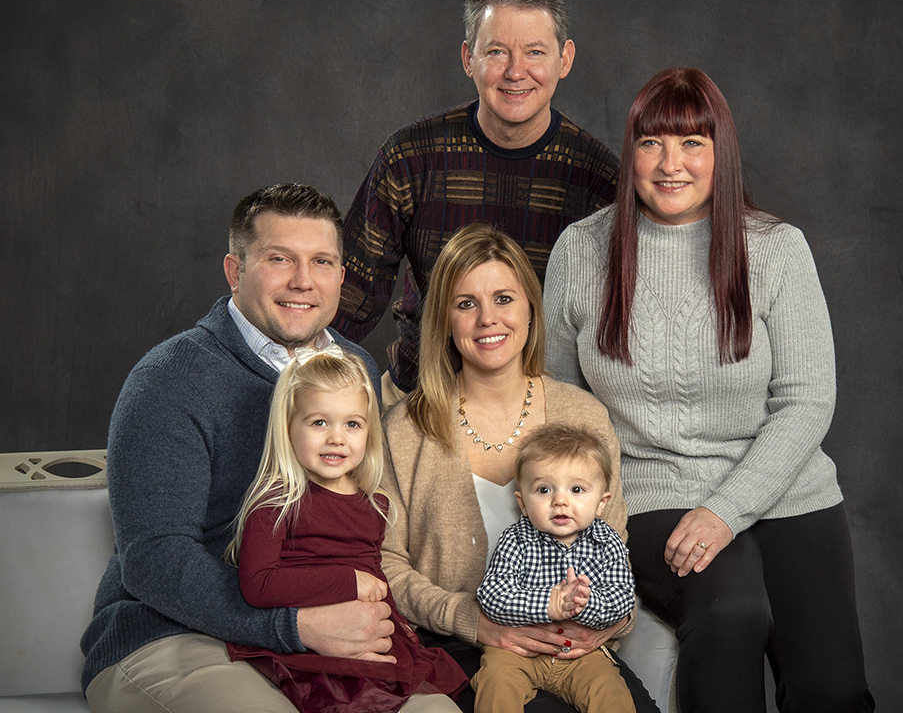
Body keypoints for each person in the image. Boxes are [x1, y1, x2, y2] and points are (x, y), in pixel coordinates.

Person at [544, 67, 876, 712]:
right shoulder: (581, 250)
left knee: (831, 690)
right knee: (730, 612)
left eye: (693, 143)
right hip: (650, 490)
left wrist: (727, 510)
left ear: (720, 154)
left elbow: (807, 400)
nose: (671, 164)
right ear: (630, 153)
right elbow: (564, 407)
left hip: (785, 489)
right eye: (651, 143)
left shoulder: (777, 249)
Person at [81, 184, 394, 713]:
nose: (303, 281)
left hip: (321, 626)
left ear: (342, 277)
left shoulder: (355, 370)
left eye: (321, 261)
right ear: (234, 271)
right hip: (174, 634)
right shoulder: (169, 379)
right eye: (279, 259)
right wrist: (293, 626)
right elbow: (155, 559)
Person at [379, 222, 658, 713]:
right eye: (466, 304)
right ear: (445, 320)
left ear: (531, 306)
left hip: (577, 643)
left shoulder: (584, 416)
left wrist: (604, 625)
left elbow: (614, 548)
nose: (489, 319)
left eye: (504, 298)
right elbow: (387, 565)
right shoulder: (403, 429)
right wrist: (473, 621)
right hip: (458, 642)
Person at [333, 0, 619, 403]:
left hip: (542, 413)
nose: (516, 72)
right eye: (497, 52)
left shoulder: (600, 181)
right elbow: (347, 304)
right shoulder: (412, 157)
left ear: (565, 59)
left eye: (536, 52)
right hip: (420, 396)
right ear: (469, 58)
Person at [225, 345, 467, 712]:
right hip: (311, 651)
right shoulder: (277, 501)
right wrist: (349, 581)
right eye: (319, 422)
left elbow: (372, 573)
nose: (337, 437)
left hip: (372, 638)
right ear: (288, 427)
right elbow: (258, 585)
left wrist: (399, 625)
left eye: (352, 424)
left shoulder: (374, 502)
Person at [472, 423, 637, 713]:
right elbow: (492, 595)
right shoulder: (517, 539)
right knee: (496, 683)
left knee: (611, 695)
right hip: (518, 651)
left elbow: (623, 599)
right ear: (523, 503)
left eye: (576, 489)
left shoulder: (606, 541)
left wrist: (586, 603)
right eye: (544, 489)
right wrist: (549, 603)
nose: (560, 500)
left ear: (601, 503)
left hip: (581, 655)